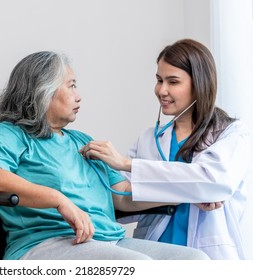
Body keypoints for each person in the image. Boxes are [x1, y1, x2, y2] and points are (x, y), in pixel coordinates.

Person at [0, 51, 209, 260]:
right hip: (44, 244)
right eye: (71, 85)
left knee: (194, 261)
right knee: (137, 267)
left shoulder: (81, 141)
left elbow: (123, 196)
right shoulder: (12, 133)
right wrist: (58, 199)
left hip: (108, 241)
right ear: (44, 91)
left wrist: (184, 194)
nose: (78, 95)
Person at [80, 39, 251, 260]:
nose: (162, 90)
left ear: (199, 83)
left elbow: (214, 181)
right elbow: (119, 198)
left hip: (209, 252)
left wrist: (128, 164)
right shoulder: (150, 138)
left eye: (173, 81)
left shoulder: (232, 133)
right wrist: (188, 192)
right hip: (155, 248)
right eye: (159, 80)